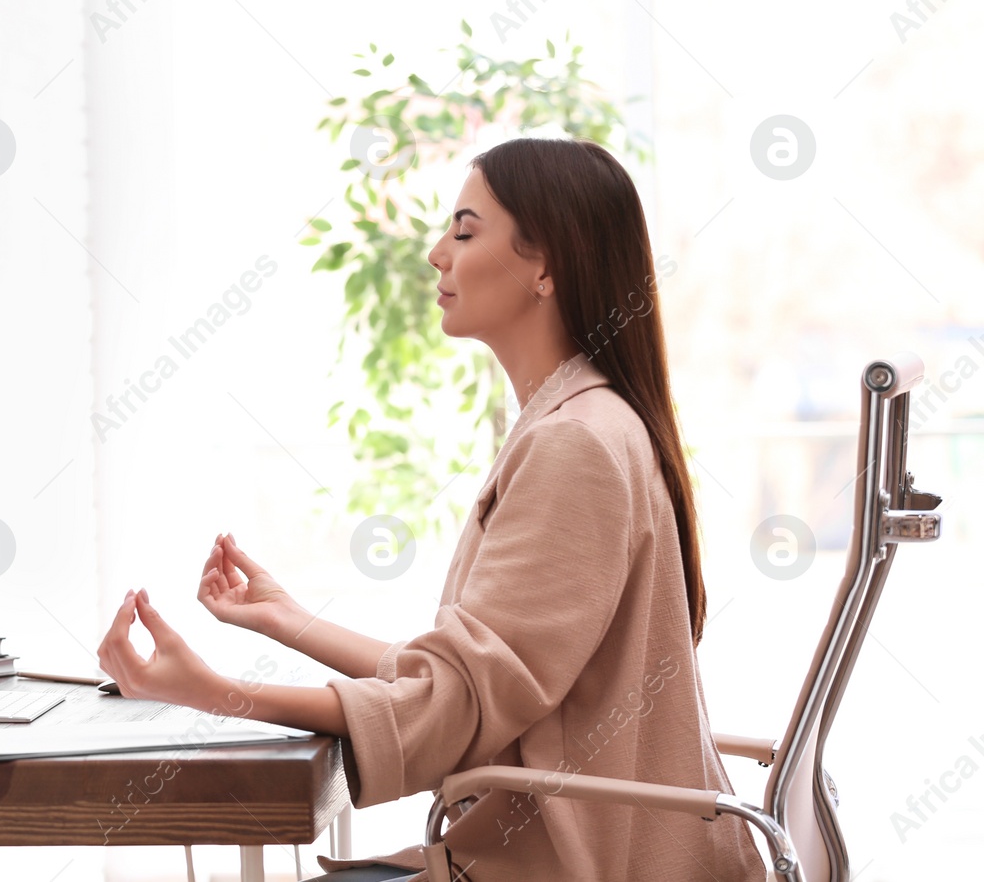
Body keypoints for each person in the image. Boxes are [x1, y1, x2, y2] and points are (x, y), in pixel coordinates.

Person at [95, 136, 767, 881]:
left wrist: (215, 693)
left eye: (465, 230)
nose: (436, 254)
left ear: (545, 265)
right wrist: (290, 618)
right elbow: (473, 679)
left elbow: (458, 707)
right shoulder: (587, 422)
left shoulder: (574, 443)